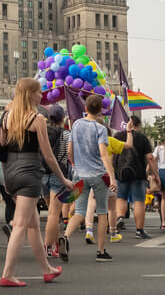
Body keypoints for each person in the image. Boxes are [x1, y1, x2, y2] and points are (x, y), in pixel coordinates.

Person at [0, 78, 71, 287]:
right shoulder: (36, 119)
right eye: (39, 92)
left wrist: (6, 180)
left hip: (11, 172)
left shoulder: (6, 117)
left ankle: (46, 269)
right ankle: (8, 273)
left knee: (33, 225)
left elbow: (1, 151)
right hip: (30, 172)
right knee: (21, 224)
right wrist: (63, 178)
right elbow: (48, 156)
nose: (42, 96)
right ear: (30, 94)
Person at [60, 94, 117, 263]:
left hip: (80, 175)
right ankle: (100, 251)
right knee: (101, 212)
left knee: (79, 211)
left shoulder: (76, 124)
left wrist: (75, 164)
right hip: (99, 175)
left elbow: (70, 149)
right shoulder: (100, 129)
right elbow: (103, 153)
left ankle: (65, 236)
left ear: (85, 108)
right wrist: (112, 177)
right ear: (100, 110)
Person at [113, 115, 157, 240]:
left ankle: (120, 217)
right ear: (138, 125)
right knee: (138, 201)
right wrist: (156, 174)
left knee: (121, 198)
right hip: (138, 174)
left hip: (121, 173)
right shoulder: (143, 139)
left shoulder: (118, 136)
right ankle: (139, 230)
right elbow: (150, 158)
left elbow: (113, 155)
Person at [42, 105, 71, 255]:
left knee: (52, 213)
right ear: (63, 118)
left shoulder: (43, 131)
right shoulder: (66, 134)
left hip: (43, 174)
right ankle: (47, 247)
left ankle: (54, 245)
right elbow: (70, 153)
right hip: (58, 174)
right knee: (54, 213)